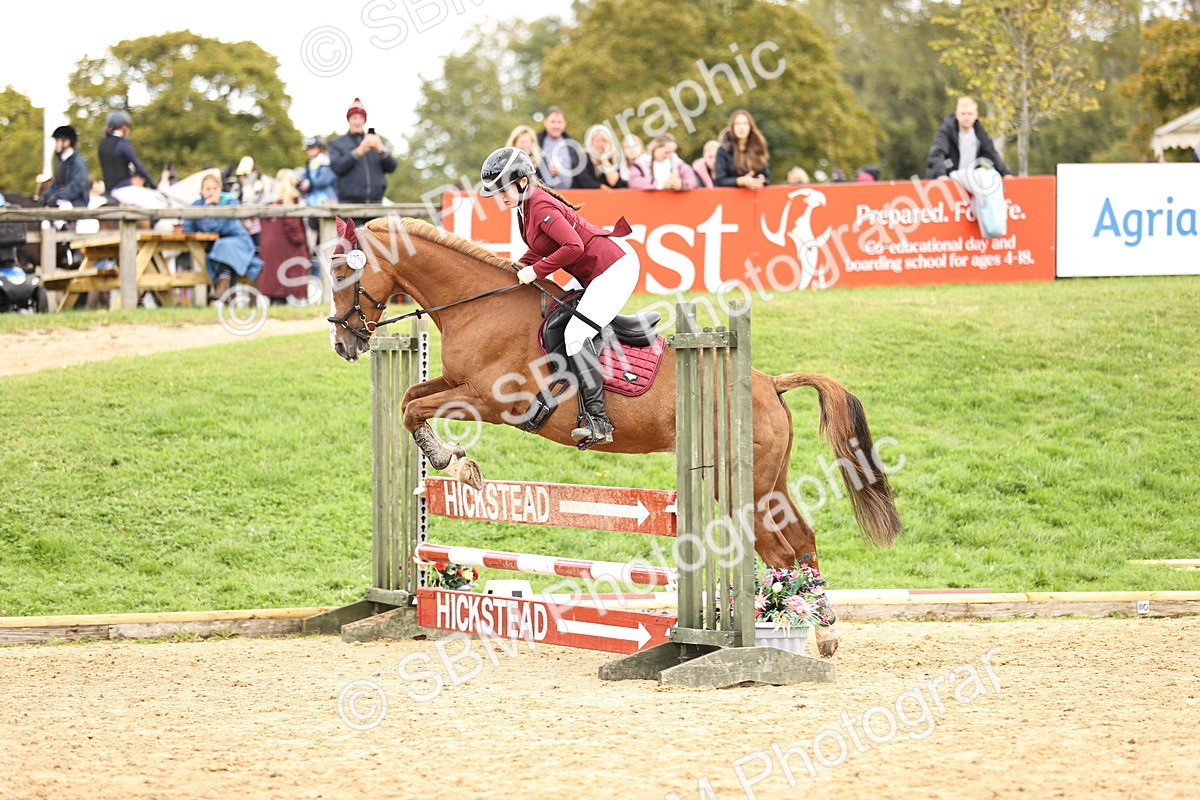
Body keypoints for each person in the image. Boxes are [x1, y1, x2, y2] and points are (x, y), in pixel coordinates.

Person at [479, 146, 636, 448]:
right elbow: (538, 249)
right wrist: (513, 272)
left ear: (521, 182)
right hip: (599, 271)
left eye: (502, 189)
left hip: (615, 270)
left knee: (576, 334)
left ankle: (599, 420)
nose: (499, 197)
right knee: (560, 325)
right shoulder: (525, 207)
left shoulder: (540, 206)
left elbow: (573, 247)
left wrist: (535, 271)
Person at [184, 172, 262, 298]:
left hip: (239, 242)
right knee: (218, 249)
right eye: (208, 188)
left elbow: (213, 227)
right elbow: (188, 226)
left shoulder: (230, 203)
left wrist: (210, 206)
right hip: (215, 245)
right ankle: (224, 292)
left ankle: (222, 289)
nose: (211, 192)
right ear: (201, 190)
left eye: (215, 188)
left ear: (220, 189)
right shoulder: (196, 205)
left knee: (223, 246)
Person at [925, 96, 1012, 181]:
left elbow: (991, 154)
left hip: (969, 181)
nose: (966, 117)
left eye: (970, 114)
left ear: (976, 115)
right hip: (947, 180)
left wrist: (1005, 173)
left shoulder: (980, 134)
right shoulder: (946, 131)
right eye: (963, 114)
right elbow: (937, 153)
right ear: (957, 115)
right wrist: (940, 175)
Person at [329, 97, 397, 204]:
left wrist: (381, 150)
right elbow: (336, 167)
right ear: (349, 120)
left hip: (376, 203)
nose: (357, 121)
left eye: (360, 118)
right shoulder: (337, 143)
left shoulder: (376, 141)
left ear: (364, 120)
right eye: (354, 118)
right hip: (349, 204)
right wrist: (358, 152)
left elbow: (392, 167)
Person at [257, 170, 309, 304]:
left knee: (274, 282)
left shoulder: (269, 203)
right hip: (288, 248)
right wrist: (301, 240)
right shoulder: (290, 202)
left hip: (270, 246)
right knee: (289, 277)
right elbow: (294, 228)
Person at [98, 111, 157, 203]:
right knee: (155, 204)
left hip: (109, 190)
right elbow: (138, 165)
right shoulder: (122, 144)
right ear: (124, 127)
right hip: (123, 189)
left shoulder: (102, 144)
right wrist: (152, 183)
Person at [715, 109, 771, 188]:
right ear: (732, 127)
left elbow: (767, 177)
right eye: (737, 124)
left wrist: (761, 180)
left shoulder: (758, 147)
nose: (741, 127)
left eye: (745, 124)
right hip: (730, 198)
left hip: (754, 197)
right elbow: (720, 181)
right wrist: (740, 181)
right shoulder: (723, 150)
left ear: (750, 127)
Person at [627, 133, 698, 191]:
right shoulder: (641, 163)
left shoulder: (678, 163)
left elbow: (692, 180)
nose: (669, 155)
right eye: (666, 152)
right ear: (656, 148)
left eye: (671, 152)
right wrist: (660, 184)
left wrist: (681, 184)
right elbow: (633, 181)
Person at [42, 126, 90, 208]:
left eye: (58, 141)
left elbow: (77, 186)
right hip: (63, 198)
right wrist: (45, 195)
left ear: (67, 142)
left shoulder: (78, 161)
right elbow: (56, 183)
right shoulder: (61, 160)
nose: (56, 144)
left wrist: (57, 196)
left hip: (77, 202)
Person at [536, 106, 583, 190]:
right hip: (543, 194)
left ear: (565, 124)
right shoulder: (536, 142)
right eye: (553, 122)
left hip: (571, 195)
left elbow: (581, 174)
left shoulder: (573, 145)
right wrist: (545, 171)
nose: (556, 126)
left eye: (559, 122)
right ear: (545, 122)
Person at [574, 124, 626, 189]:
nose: (600, 144)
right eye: (597, 141)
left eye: (604, 140)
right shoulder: (582, 158)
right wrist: (600, 187)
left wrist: (604, 159)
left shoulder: (614, 159)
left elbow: (614, 182)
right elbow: (584, 181)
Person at [299, 136, 337, 206]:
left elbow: (322, 181)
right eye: (308, 148)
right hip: (312, 198)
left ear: (320, 149)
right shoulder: (310, 163)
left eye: (312, 148)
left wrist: (308, 182)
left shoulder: (326, 162)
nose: (309, 150)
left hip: (326, 198)